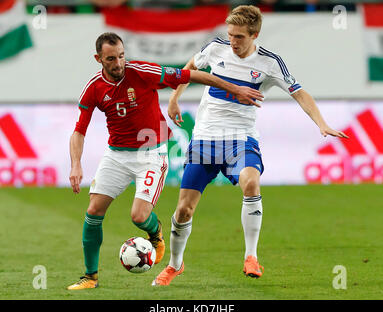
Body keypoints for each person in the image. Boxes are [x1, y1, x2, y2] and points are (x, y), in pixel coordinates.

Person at [152, 5, 348, 286]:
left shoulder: (270, 63)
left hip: (240, 138)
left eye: (240, 37)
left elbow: (300, 93)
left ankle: (251, 256)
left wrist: (321, 123)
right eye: (230, 34)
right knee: (184, 209)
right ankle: (174, 265)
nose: (233, 41)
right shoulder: (216, 48)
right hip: (205, 138)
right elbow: (190, 68)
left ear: (254, 35)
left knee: (251, 184)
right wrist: (173, 99)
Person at [67, 32, 263, 290]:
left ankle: (155, 233)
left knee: (138, 216)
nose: (119, 63)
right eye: (111, 59)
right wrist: (76, 164)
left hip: (151, 153)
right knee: (93, 211)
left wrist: (234, 88)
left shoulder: (143, 72)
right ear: (99, 59)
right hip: (116, 155)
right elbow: (79, 130)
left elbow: (192, 74)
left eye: (122, 56)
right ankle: (90, 277)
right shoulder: (94, 88)